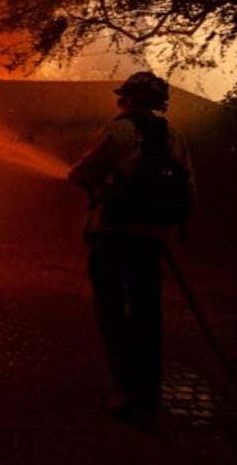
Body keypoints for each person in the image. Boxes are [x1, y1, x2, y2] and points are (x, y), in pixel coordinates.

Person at [67, 71, 194, 425]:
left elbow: (80, 174)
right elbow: (190, 191)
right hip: (153, 240)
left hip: (114, 235)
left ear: (125, 99)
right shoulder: (174, 138)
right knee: (147, 314)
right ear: (158, 104)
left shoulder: (115, 131)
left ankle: (126, 387)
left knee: (110, 311)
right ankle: (149, 391)